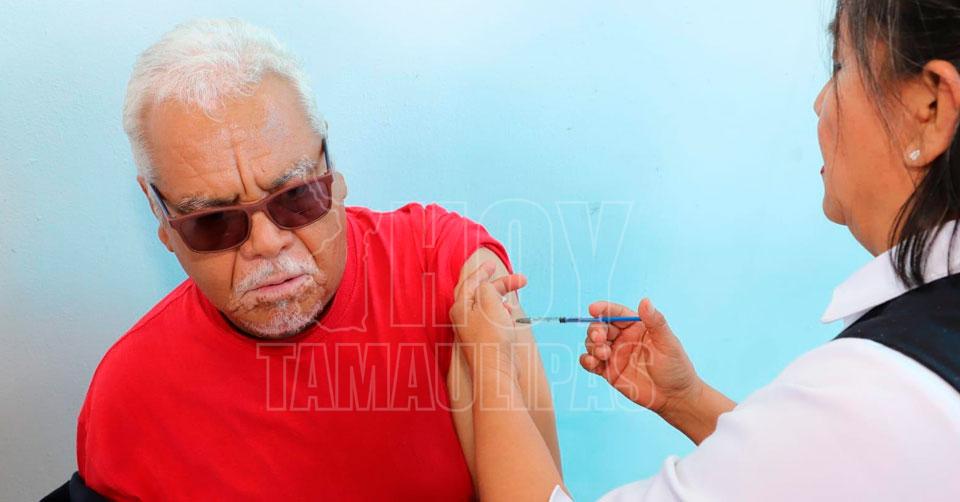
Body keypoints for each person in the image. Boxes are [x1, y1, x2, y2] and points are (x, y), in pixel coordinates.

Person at [451, 1, 960, 500]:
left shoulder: (872, 394)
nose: (819, 101)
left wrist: (491, 367)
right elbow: (826, 474)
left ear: (931, 108)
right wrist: (687, 401)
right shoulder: (900, 386)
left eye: (841, 65)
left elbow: (840, 444)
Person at [56, 19, 561, 500]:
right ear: (160, 216)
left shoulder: (449, 275)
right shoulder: (130, 396)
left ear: (331, 170)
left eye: (295, 196)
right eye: (215, 222)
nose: (267, 242)